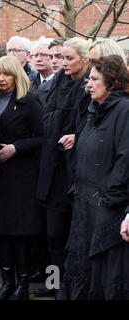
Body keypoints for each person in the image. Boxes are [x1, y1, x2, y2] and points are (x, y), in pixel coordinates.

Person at [64, 55, 129, 300]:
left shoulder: (124, 110)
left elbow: (125, 159)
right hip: (85, 208)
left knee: (104, 282)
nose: (88, 84)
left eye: (94, 79)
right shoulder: (94, 110)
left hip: (107, 213)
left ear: (111, 82)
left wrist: (109, 199)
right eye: (88, 79)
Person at [0, 55, 44, 300]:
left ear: (16, 76)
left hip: (21, 178)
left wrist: (16, 148)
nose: (1, 79)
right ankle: (7, 284)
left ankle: (22, 286)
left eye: (6, 74)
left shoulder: (30, 101)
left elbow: (43, 137)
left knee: (19, 233)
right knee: (1, 232)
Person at [36, 37, 91, 299]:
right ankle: (53, 284)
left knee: (71, 236)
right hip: (52, 168)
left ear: (84, 59)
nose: (62, 63)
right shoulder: (57, 83)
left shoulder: (88, 87)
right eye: (59, 57)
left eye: (68, 58)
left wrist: (76, 136)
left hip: (74, 172)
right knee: (52, 234)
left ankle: (70, 287)